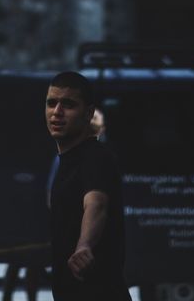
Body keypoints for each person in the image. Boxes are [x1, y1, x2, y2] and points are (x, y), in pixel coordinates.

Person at [45, 72, 131, 301]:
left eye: (69, 104)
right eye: (51, 103)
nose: (57, 112)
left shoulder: (95, 157)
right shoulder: (67, 161)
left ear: (88, 114)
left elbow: (96, 204)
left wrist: (84, 245)